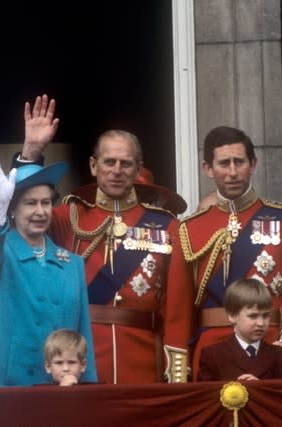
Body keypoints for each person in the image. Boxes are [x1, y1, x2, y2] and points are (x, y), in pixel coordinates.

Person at [14, 95, 192, 384]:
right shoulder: (66, 216)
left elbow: (178, 306)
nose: (117, 170)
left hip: (144, 358)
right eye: (109, 162)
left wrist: (176, 368)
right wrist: (31, 153)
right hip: (79, 356)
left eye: (125, 163)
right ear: (93, 165)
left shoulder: (167, 225)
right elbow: (20, 211)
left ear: (137, 169)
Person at [179, 125, 282, 380]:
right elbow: (181, 307)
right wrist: (182, 363)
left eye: (239, 162)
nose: (232, 172)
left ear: (252, 164)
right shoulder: (190, 228)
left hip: (269, 347)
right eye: (224, 163)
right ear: (208, 169)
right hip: (210, 351)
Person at [0, 159, 97, 387]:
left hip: (61, 391)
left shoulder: (72, 264)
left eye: (46, 203)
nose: (40, 211)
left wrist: (86, 389)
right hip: (8, 389)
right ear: (13, 208)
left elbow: (83, 335)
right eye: (30, 203)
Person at [198, 278, 282, 381]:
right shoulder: (213, 356)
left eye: (266, 316)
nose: (261, 323)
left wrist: (260, 388)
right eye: (253, 316)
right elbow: (206, 395)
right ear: (232, 316)